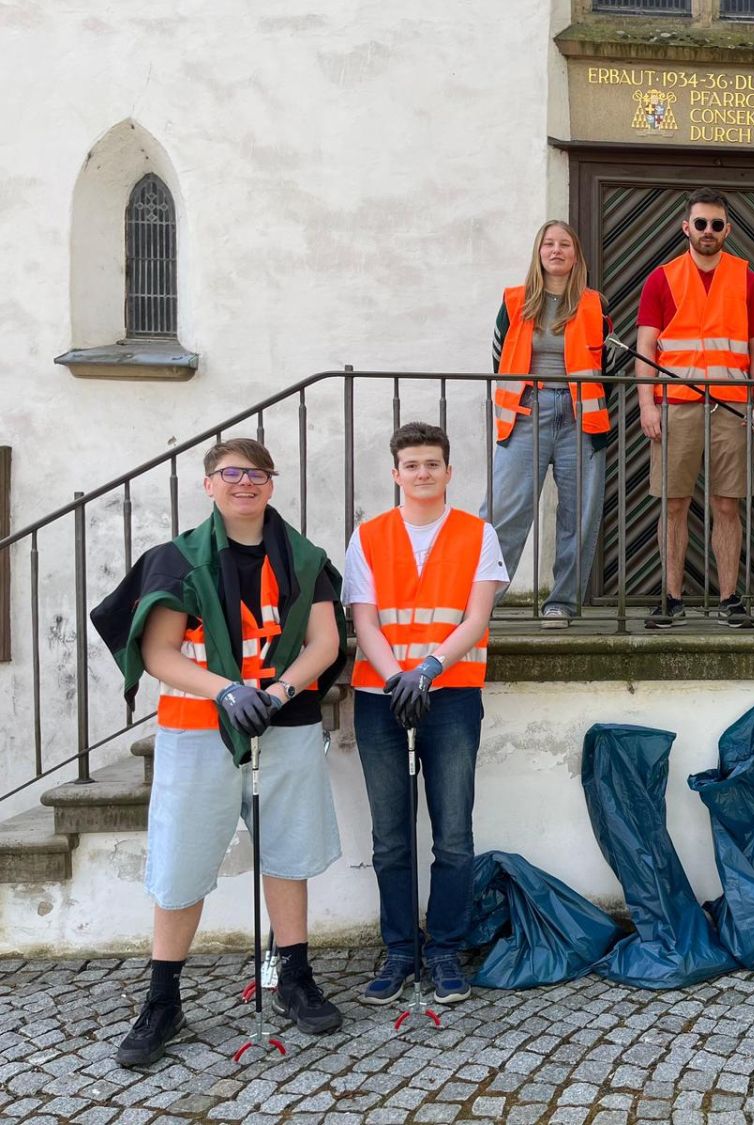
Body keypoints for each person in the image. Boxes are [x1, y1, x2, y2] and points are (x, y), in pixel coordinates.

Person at [90, 438, 347, 1067]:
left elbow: (324, 640)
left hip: (285, 726)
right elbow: (160, 653)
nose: (244, 484)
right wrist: (227, 691)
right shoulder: (175, 561)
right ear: (209, 485)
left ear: (271, 484)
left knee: (287, 851)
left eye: (256, 474)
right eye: (230, 474)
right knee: (181, 862)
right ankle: (162, 1000)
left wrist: (279, 691)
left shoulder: (305, 558)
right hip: (196, 731)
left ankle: (295, 979)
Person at [345, 422, 506, 1005]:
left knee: (453, 834)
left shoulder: (476, 533)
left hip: (452, 693)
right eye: (411, 465)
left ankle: (444, 949)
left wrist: (429, 670)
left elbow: (476, 616)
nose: (422, 474)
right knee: (390, 838)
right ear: (396, 473)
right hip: (379, 698)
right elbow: (363, 620)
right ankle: (399, 951)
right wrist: (395, 678)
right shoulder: (368, 536)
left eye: (432, 464)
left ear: (447, 471)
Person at [635, 186, 754, 630]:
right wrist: (647, 405)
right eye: (701, 223)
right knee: (673, 503)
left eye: (716, 224)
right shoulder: (662, 277)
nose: (708, 231)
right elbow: (646, 348)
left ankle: (730, 599)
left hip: (731, 406)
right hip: (675, 405)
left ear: (727, 229)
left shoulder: (747, 277)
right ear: (686, 227)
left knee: (727, 505)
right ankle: (672, 598)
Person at [485, 219, 611, 628]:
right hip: (527, 414)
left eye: (565, 245)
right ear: (538, 253)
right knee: (505, 512)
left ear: (576, 256)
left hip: (580, 418)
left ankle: (563, 602)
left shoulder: (594, 304)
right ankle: (482, 601)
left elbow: (607, 366)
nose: (556, 251)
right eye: (548, 244)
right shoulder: (515, 301)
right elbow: (498, 357)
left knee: (579, 514)